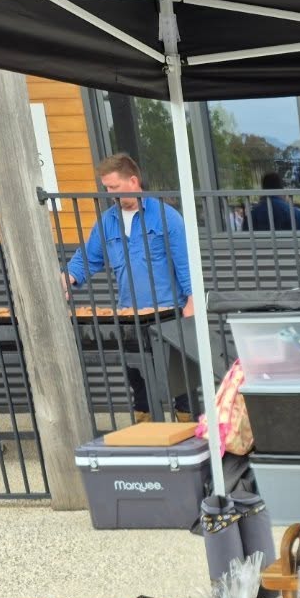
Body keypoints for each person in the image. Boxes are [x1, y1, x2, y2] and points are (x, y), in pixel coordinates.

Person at [62, 153, 198, 420]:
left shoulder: (167, 218)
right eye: (106, 188)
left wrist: (191, 303)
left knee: (181, 383)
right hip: (130, 315)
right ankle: (147, 433)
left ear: (133, 181)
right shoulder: (107, 221)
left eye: (114, 187)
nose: (109, 193)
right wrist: (68, 278)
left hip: (169, 313)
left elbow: (186, 262)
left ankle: (191, 431)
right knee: (138, 381)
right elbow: (88, 258)